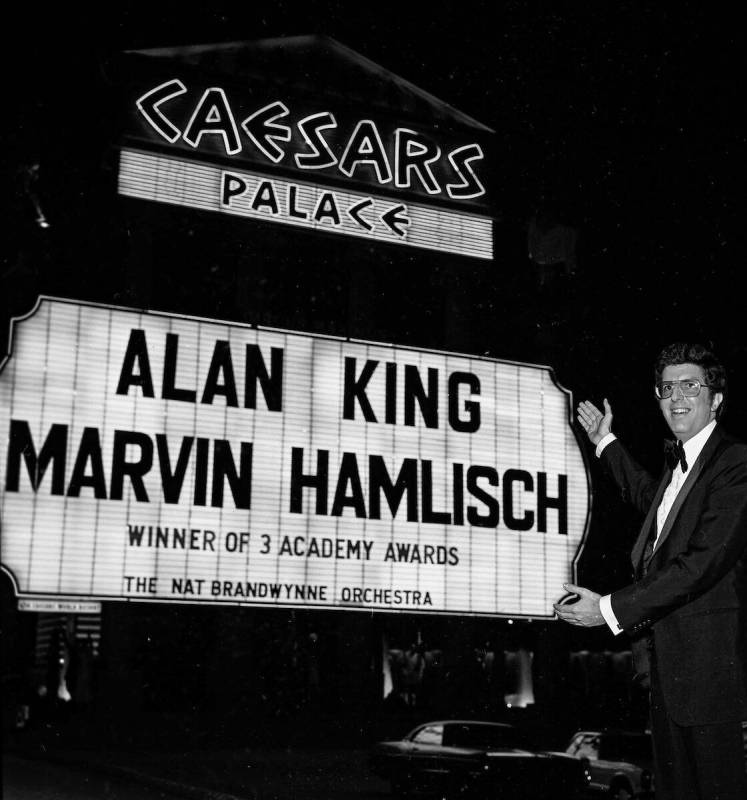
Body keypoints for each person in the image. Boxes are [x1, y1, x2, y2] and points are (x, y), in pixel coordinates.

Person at [554, 342, 747, 800]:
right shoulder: (679, 465)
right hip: (667, 673)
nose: (677, 396)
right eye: (667, 387)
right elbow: (650, 500)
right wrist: (605, 441)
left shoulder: (735, 463)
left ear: (715, 398)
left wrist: (607, 609)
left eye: (690, 385)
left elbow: (700, 564)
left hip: (712, 677)